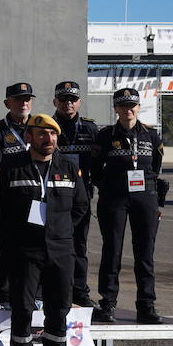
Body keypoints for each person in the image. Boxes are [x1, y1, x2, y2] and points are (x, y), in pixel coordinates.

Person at [0, 114, 89, 346]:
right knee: (23, 308)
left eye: (52, 134)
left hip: (60, 250)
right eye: (41, 134)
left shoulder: (68, 168)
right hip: (25, 251)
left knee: (58, 308)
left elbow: (80, 207)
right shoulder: (12, 168)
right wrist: (11, 243)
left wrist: (59, 232)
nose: (47, 139)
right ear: (29, 137)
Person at [91, 88, 166, 325]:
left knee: (145, 253)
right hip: (114, 198)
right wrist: (111, 187)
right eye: (123, 106)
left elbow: (155, 166)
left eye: (132, 105)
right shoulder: (105, 135)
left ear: (138, 107)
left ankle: (146, 306)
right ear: (115, 109)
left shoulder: (152, 136)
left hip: (144, 198)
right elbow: (95, 169)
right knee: (112, 250)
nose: (128, 110)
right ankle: (108, 304)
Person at [0, 82, 35, 307]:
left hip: (35, 200)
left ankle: (35, 295)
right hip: (7, 200)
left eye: (27, 99)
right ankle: (4, 296)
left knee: (35, 249)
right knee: (7, 248)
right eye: (18, 99)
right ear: (8, 103)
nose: (23, 103)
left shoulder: (40, 127)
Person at [52, 81, 99, 309]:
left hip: (81, 198)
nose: (67, 103)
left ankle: (79, 291)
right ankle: (50, 290)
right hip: (54, 197)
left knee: (79, 245)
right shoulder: (47, 127)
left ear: (79, 102)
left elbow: (99, 164)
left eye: (72, 99)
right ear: (55, 102)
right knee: (51, 245)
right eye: (63, 99)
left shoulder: (91, 129)